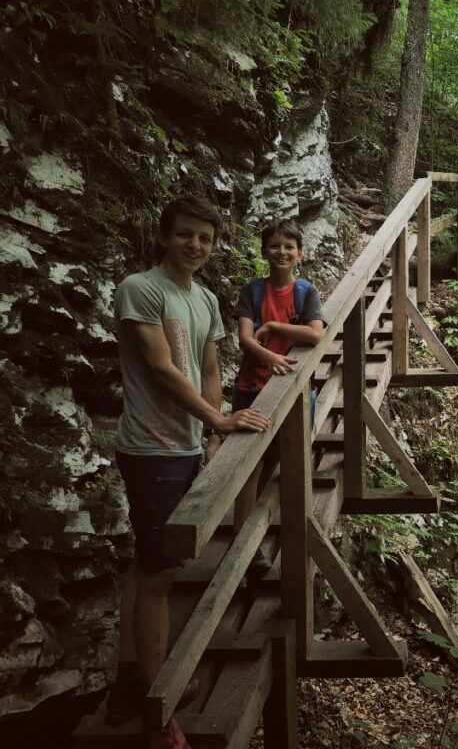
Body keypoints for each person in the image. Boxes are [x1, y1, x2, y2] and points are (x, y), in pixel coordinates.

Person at [108, 196, 272, 749]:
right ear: (164, 236)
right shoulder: (141, 288)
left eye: (205, 238)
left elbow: (207, 367)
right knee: (161, 575)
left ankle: (131, 678)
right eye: (185, 235)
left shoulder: (204, 298)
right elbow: (159, 368)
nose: (195, 246)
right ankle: (161, 709)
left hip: (183, 445)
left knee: (146, 560)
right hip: (150, 449)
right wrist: (217, 417)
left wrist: (214, 430)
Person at [225, 220, 325, 573]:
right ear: (264, 250)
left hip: (289, 392)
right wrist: (271, 357)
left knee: (272, 460)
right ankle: (242, 546)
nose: (282, 251)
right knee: (247, 464)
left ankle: (259, 524)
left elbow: (316, 334)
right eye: (274, 245)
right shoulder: (253, 291)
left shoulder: (305, 292)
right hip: (252, 387)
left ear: (299, 253)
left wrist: (277, 327)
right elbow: (245, 339)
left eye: (289, 246)